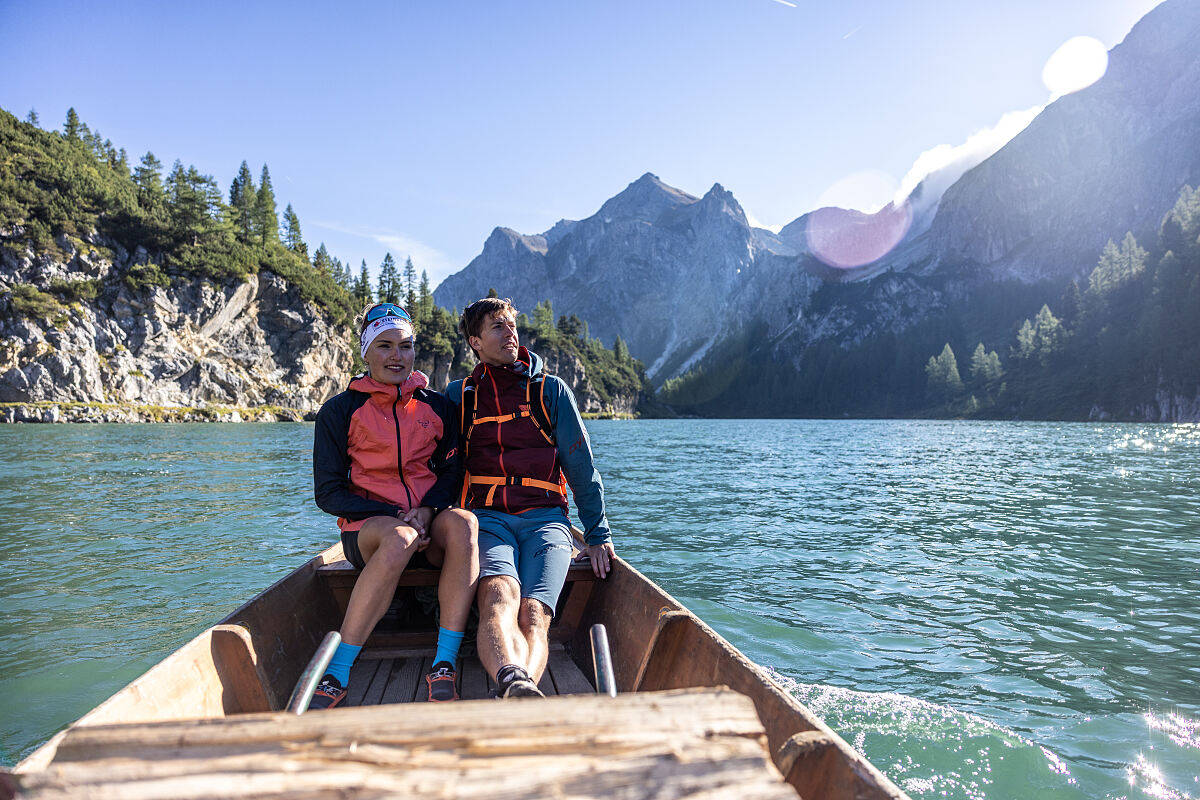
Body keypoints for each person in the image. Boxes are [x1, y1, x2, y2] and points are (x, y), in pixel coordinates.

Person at [446, 297, 615, 698]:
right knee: (498, 597)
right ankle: (515, 685)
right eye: (497, 327)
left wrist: (597, 533)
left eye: (511, 325)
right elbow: (438, 463)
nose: (510, 333)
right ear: (475, 341)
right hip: (487, 520)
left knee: (534, 613)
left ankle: (514, 688)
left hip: (547, 521)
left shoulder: (551, 391)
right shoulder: (459, 397)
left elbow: (581, 467)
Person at [312, 302, 478, 706]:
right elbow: (328, 493)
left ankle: (444, 662)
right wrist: (394, 516)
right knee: (400, 537)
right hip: (369, 532)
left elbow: (453, 473)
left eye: (405, 346)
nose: (395, 356)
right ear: (365, 352)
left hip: (427, 523)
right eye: (384, 346)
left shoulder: (437, 407)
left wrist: (428, 510)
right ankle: (337, 671)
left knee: (465, 525)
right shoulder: (339, 412)